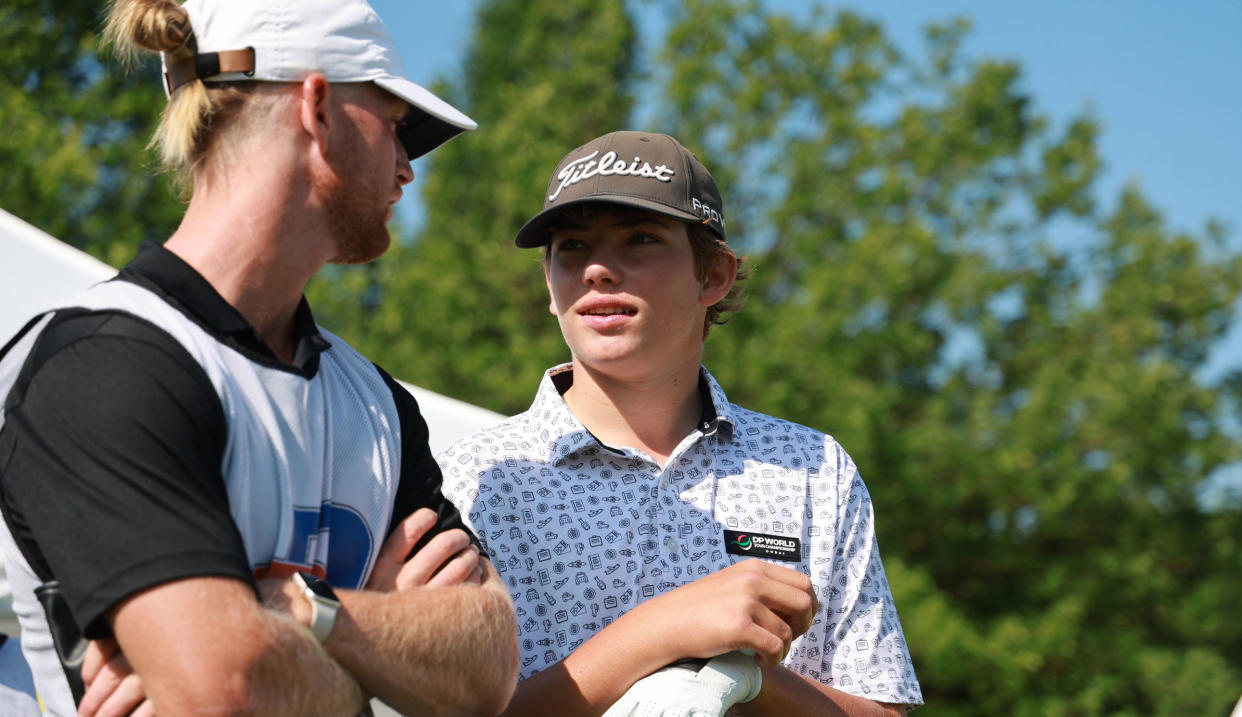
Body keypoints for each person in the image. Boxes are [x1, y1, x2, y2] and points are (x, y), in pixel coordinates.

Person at [0, 0, 517, 715]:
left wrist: (300, 609)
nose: (406, 169)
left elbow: (486, 668)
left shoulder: (377, 402)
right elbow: (232, 692)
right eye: (395, 127)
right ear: (318, 106)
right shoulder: (101, 365)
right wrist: (379, 648)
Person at [439, 131, 923, 715]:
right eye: (571, 246)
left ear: (714, 275)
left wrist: (742, 675)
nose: (595, 269)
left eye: (640, 239)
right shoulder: (472, 480)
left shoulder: (813, 470)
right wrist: (662, 633)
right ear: (549, 284)